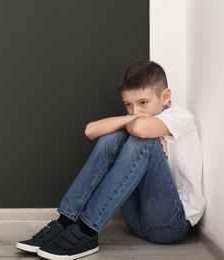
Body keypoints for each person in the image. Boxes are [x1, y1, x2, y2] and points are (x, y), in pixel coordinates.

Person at [15, 61, 205, 260]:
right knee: (111, 138)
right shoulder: (136, 118)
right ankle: (66, 221)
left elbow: (140, 129)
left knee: (142, 142)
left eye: (143, 103)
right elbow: (91, 130)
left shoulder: (181, 116)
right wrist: (132, 123)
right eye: (129, 105)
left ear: (165, 96)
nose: (135, 111)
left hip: (170, 224)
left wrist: (140, 129)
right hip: (135, 222)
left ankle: (87, 231)